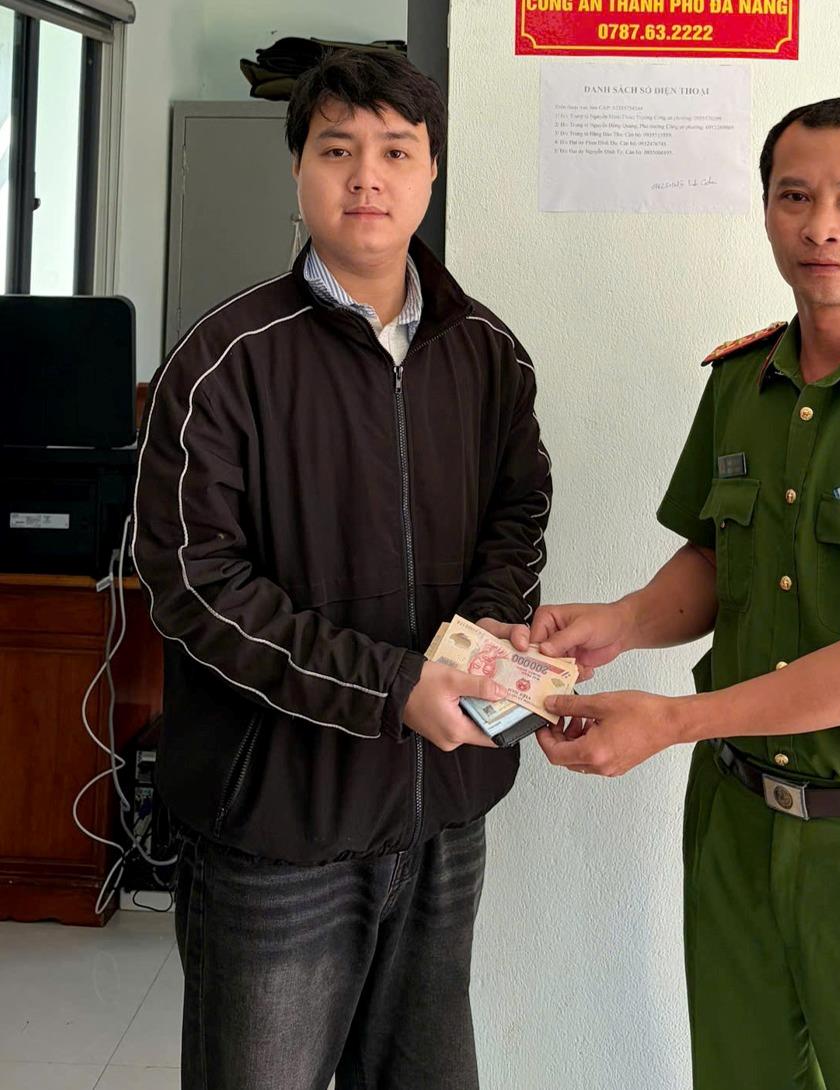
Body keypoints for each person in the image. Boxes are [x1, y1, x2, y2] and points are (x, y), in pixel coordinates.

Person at [524, 98, 840, 1089]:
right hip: (737, 826)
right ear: (764, 211)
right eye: (793, 198)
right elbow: (716, 563)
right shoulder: (739, 382)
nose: (819, 226)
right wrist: (617, 625)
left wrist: (673, 720)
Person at [133, 49, 549, 1090]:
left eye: (395, 151)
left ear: (431, 170)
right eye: (336, 150)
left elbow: (517, 516)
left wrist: (481, 644)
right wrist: (392, 685)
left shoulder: (488, 353)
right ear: (298, 169)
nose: (367, 177)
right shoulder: (225, 359)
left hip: (443, 808)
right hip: (280, 824)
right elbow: (195, 583)